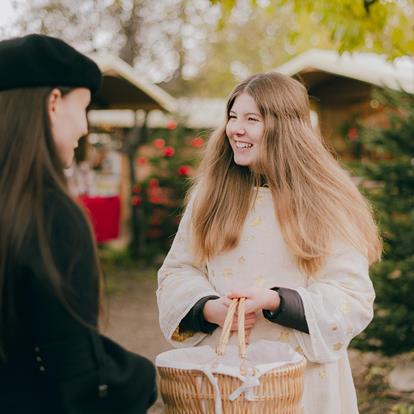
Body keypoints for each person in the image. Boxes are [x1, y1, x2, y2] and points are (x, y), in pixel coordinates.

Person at [157, 72, 382, 413]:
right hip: (224, 378)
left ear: (285, 128)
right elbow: (177, 271)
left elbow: (352, 296)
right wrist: (207, 308)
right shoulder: (210, 195)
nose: (236, 129)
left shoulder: (327, 202)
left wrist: (278, 302)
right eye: (233, 117)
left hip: (302, 383)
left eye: (252, 119)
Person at [0, 34, 156, 414]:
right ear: (54, 102)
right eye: (83, 107)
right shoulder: (46, 214)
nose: (85, 128)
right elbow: (79, 381)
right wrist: (144, 379)